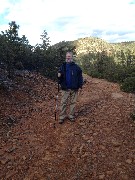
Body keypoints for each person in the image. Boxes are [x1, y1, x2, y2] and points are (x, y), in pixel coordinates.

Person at [58, 52, 83, 124]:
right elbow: (59, 76)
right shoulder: (63, 66)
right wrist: (58, 76)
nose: (68, 58)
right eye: (67, 56)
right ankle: (62, 117)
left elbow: (80, 77)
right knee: (63, 103)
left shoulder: (76, 67)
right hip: (65, 88)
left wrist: (80, 86)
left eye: (69, 56)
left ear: (72, 57)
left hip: (74, 88)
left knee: (73, 103)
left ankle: (71, 116)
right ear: (66, 57)